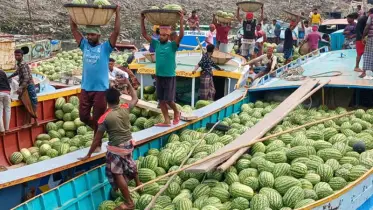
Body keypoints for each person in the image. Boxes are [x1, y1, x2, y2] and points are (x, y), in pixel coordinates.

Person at [79, 82, 142, 210]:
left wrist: (88, 154)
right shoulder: (125, 108)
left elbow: (97, 139)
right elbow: (135, 98)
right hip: (129, 145)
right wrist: (129, 84)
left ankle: (129, 203)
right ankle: (138, 183)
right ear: (119, 99)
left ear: (106, 100)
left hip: (117, 149)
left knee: (116, 173)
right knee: (130, 162)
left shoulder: (105, 118)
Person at [69, 5, 120, 150]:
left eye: (92, 35)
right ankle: (99, 129)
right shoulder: (84, 45)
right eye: (88, 35)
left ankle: (96, 143)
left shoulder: (105, 48)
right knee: (83, 116)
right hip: (86, 87)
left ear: (98, 35)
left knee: (98, 117)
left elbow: (116, 31)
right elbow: (74, 29)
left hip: (100, 90)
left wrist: (117, 13)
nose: (89, 37)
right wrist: (72, 12)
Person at [141, 11, 184, 127]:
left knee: (170, 101)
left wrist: (181, 20)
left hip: (169, 76)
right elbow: (144, 34)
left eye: (164, 35)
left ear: (168, 36)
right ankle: (166, 120)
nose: (161, 37)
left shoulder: (172, 46)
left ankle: (176, 111)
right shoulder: (157, 44)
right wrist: (142, 19)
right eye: (160, 35)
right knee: (161, 101)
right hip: (159, 76)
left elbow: (181, 36)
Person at [8, 49, 38, 127]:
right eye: (15, 55)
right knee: (26, 103)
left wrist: (20, 87)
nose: (16, 57)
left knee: (30, 103)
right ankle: (30, 121)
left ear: (22, 56)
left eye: (18, 55)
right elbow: (17, 72)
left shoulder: (23, 64)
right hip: (25, 86)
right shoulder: (20, 64)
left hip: (28, 86)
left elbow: (26, 78)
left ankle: (32, 121)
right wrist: (8, 77)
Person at [360, 8, 373, 78]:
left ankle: (364, 72)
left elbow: (367, 26)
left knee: (367, 54)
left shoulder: (371, 16)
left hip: (371, 38)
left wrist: (363, 36)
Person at [0, 69, 11, 135]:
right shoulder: (2, 72)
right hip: (7, 92)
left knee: (0, 112)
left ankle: (2, 130)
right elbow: (7, 82)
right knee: (8, 110)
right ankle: (7, 129)